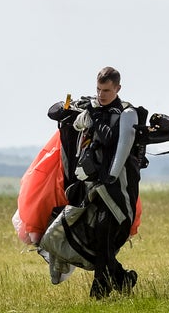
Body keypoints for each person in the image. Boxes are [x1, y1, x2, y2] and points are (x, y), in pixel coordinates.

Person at [46, 66, 142, 299]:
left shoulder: (127, 113)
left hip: (117, 192)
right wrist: (67, 112)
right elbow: (61, 115)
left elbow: (114, 142)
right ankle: (122, 280)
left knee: (105, 239)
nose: (101, 95)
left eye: (107, 90)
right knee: (99, 242)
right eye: (99, 90)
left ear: (117, 88)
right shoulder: (92, 108)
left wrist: (96, 116)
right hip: (92, 190)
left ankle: (100, 293)